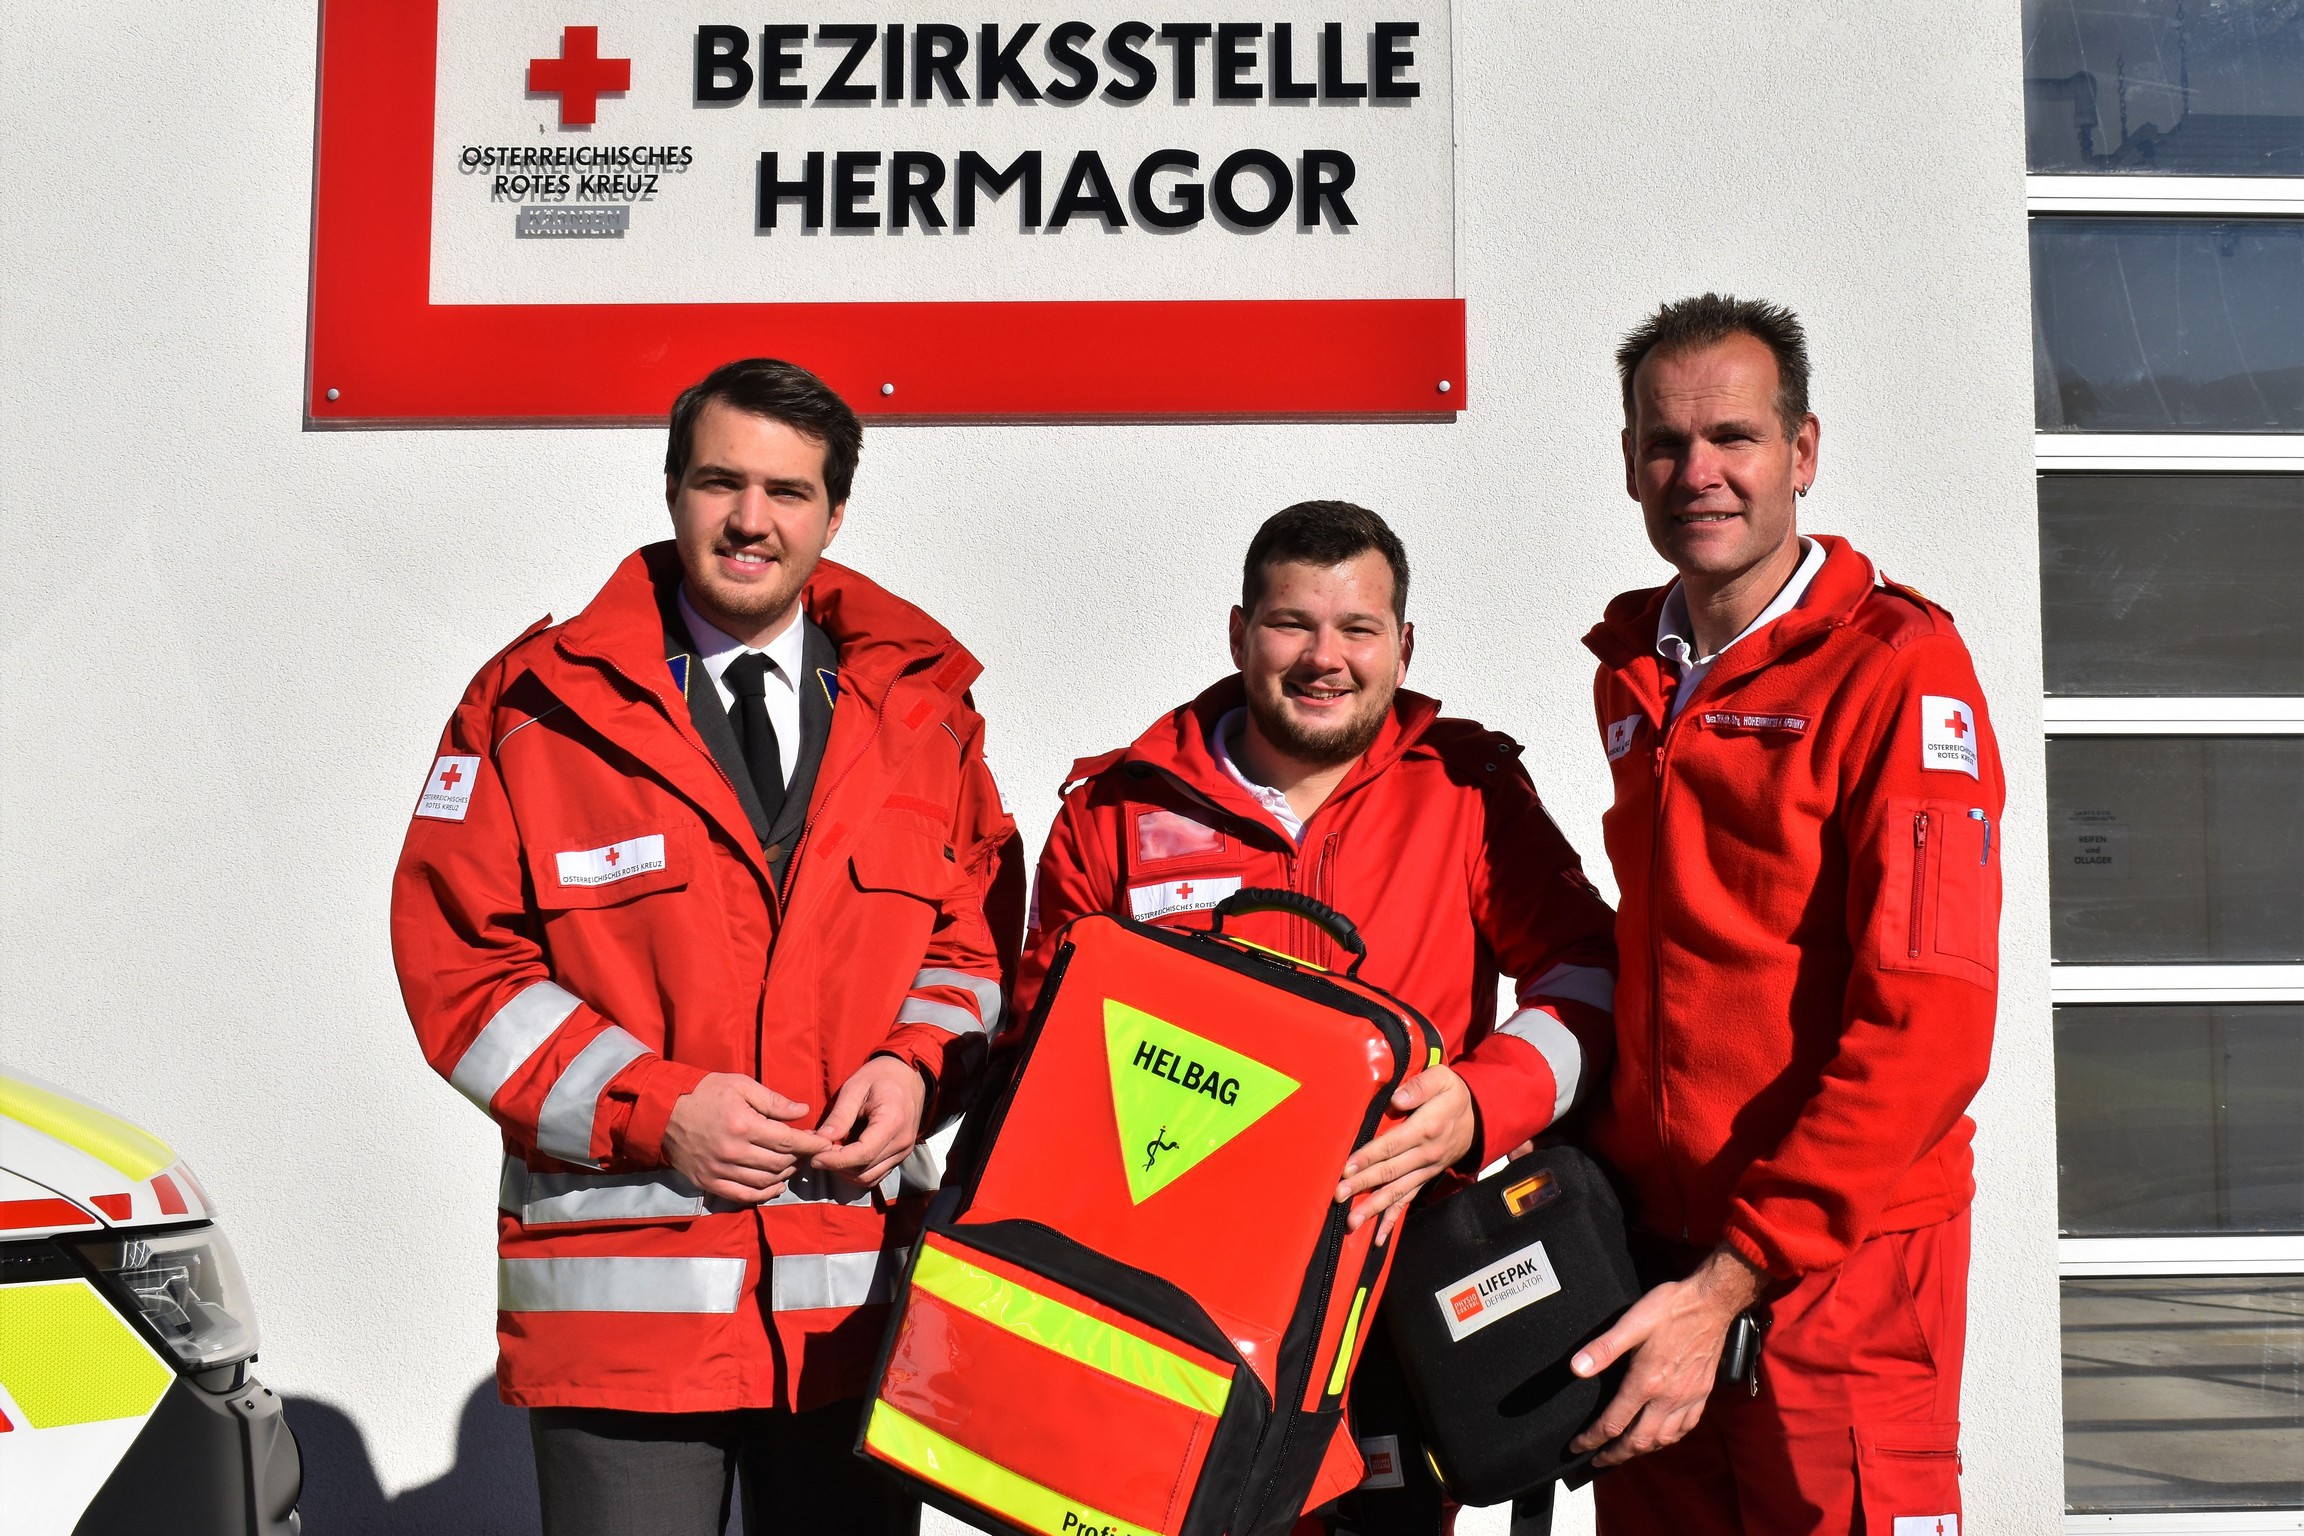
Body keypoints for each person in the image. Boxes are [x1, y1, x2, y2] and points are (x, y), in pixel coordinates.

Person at [390, 358, 1022, 1536]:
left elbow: (974, 947)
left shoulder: (922, 713)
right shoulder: (532, 707)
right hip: (623, 1334)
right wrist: (655, 1107)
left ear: (835, 515)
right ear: (673, 490)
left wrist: (915, 1070)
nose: (750, 520)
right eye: (720, 482)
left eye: (788, 492)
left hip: (851, 1317)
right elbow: (462, 972)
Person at [1017, 501, 1620, 1535]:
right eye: (1292, 624)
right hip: (1171, 1319)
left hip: (1392, 1302)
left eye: (1358, 629)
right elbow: (1036, 1064)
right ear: (1240, 633)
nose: (1324, 659)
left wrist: (1483, 1101)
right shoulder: (1114, 810)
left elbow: (1588, 975)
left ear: (1404, 644)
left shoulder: (1469, 792)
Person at [1564, 295, 2002, 1534]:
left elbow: (1930, 1028)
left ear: (1802, 452)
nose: (1697, 473)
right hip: (1660, 1263)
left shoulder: (1896, 669)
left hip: (1837, 1275)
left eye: (1734, 439)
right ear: (1630, 463)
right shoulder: (1637, 670)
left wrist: (1736, 1276)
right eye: (1663, 444)